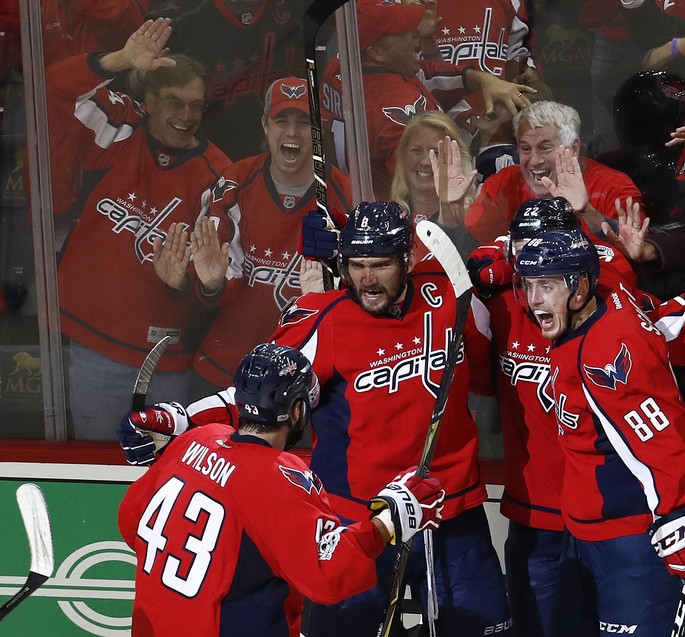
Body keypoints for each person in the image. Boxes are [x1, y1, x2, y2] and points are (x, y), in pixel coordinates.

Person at [119, 202, 513, 636]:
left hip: (450, 509)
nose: (366, 278)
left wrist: (503, 264)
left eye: (380, 264)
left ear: (409, 259)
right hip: (356, 518)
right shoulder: (324, 318)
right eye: (357, 264)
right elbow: (256, 397)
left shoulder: (451, 294)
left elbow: (496, 362)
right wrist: (178, 419)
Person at [467, 197, 685, 636]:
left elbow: (661, 409)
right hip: (547, 518)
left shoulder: (609, 309)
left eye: (550, 265)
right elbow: (458, 366)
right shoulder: (500, 301)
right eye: (527, 262)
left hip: (623, 522)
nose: (535, 291)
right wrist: (465, 279)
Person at [117, 342, 446, 636]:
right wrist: (392, 519)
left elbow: (130, 522)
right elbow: (328, 573)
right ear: (297, 410)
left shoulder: (193, 440)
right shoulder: (280, 477)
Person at [514, 227, 685, 635]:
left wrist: (677, 521)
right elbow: (665, 322)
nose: (533, 300)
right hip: (583, 533)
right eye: (528, 285)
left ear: (579, 289)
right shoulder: (603, 308)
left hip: (633, 542)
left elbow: (663, 443)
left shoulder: (606, 350)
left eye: (546, 286)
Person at [47, 18, 232, 439]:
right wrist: (119, 60)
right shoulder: (118, 131)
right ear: (148, 100)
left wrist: (179, 285)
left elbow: (213, 281)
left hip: (167, 361)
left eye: (196, 105)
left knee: (163, 474)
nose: (187, 116)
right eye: (174, 102)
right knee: (95, 471)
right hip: (96, 348)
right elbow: (55, 88)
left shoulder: (219, 175)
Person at [155, 76, 353, 394]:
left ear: (319, 129)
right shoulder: (235, 183)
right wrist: (211, 283)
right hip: (225, 373)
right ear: (265, 125)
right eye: (281, 120)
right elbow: (210, 287)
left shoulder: (346, 198)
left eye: (304, 122)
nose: (291, 132)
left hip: (307, 381)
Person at [327, 0, 536, 201]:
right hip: (407, 219)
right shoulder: (402, 109)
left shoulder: (339, 67)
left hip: (353, 196)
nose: (415, 33)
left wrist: (481, 79)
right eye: (404, 32)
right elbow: (423, 193)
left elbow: (425, 74)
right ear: (377, 52)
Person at [464, 100, 645, 246]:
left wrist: (586, 212)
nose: (534, 161)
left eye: (545, 148)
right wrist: (453, 209)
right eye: (525, 149)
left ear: (573, 148)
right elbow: (469, 246)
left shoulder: (614, 187)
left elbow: (636, 253)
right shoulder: (504, 183)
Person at [148, 0, 306, 161]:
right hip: (199, 167)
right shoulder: (176, 18)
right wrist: (142, 75)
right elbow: (131, 86)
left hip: (280, 166)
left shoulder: (299, 9)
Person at [390, 110, 479, 259]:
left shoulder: (475, 220)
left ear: (457, 158)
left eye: (436, 153)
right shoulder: (389, 221)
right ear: (403, 157)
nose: (425, 162)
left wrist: (450, 214)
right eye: (416, 151)